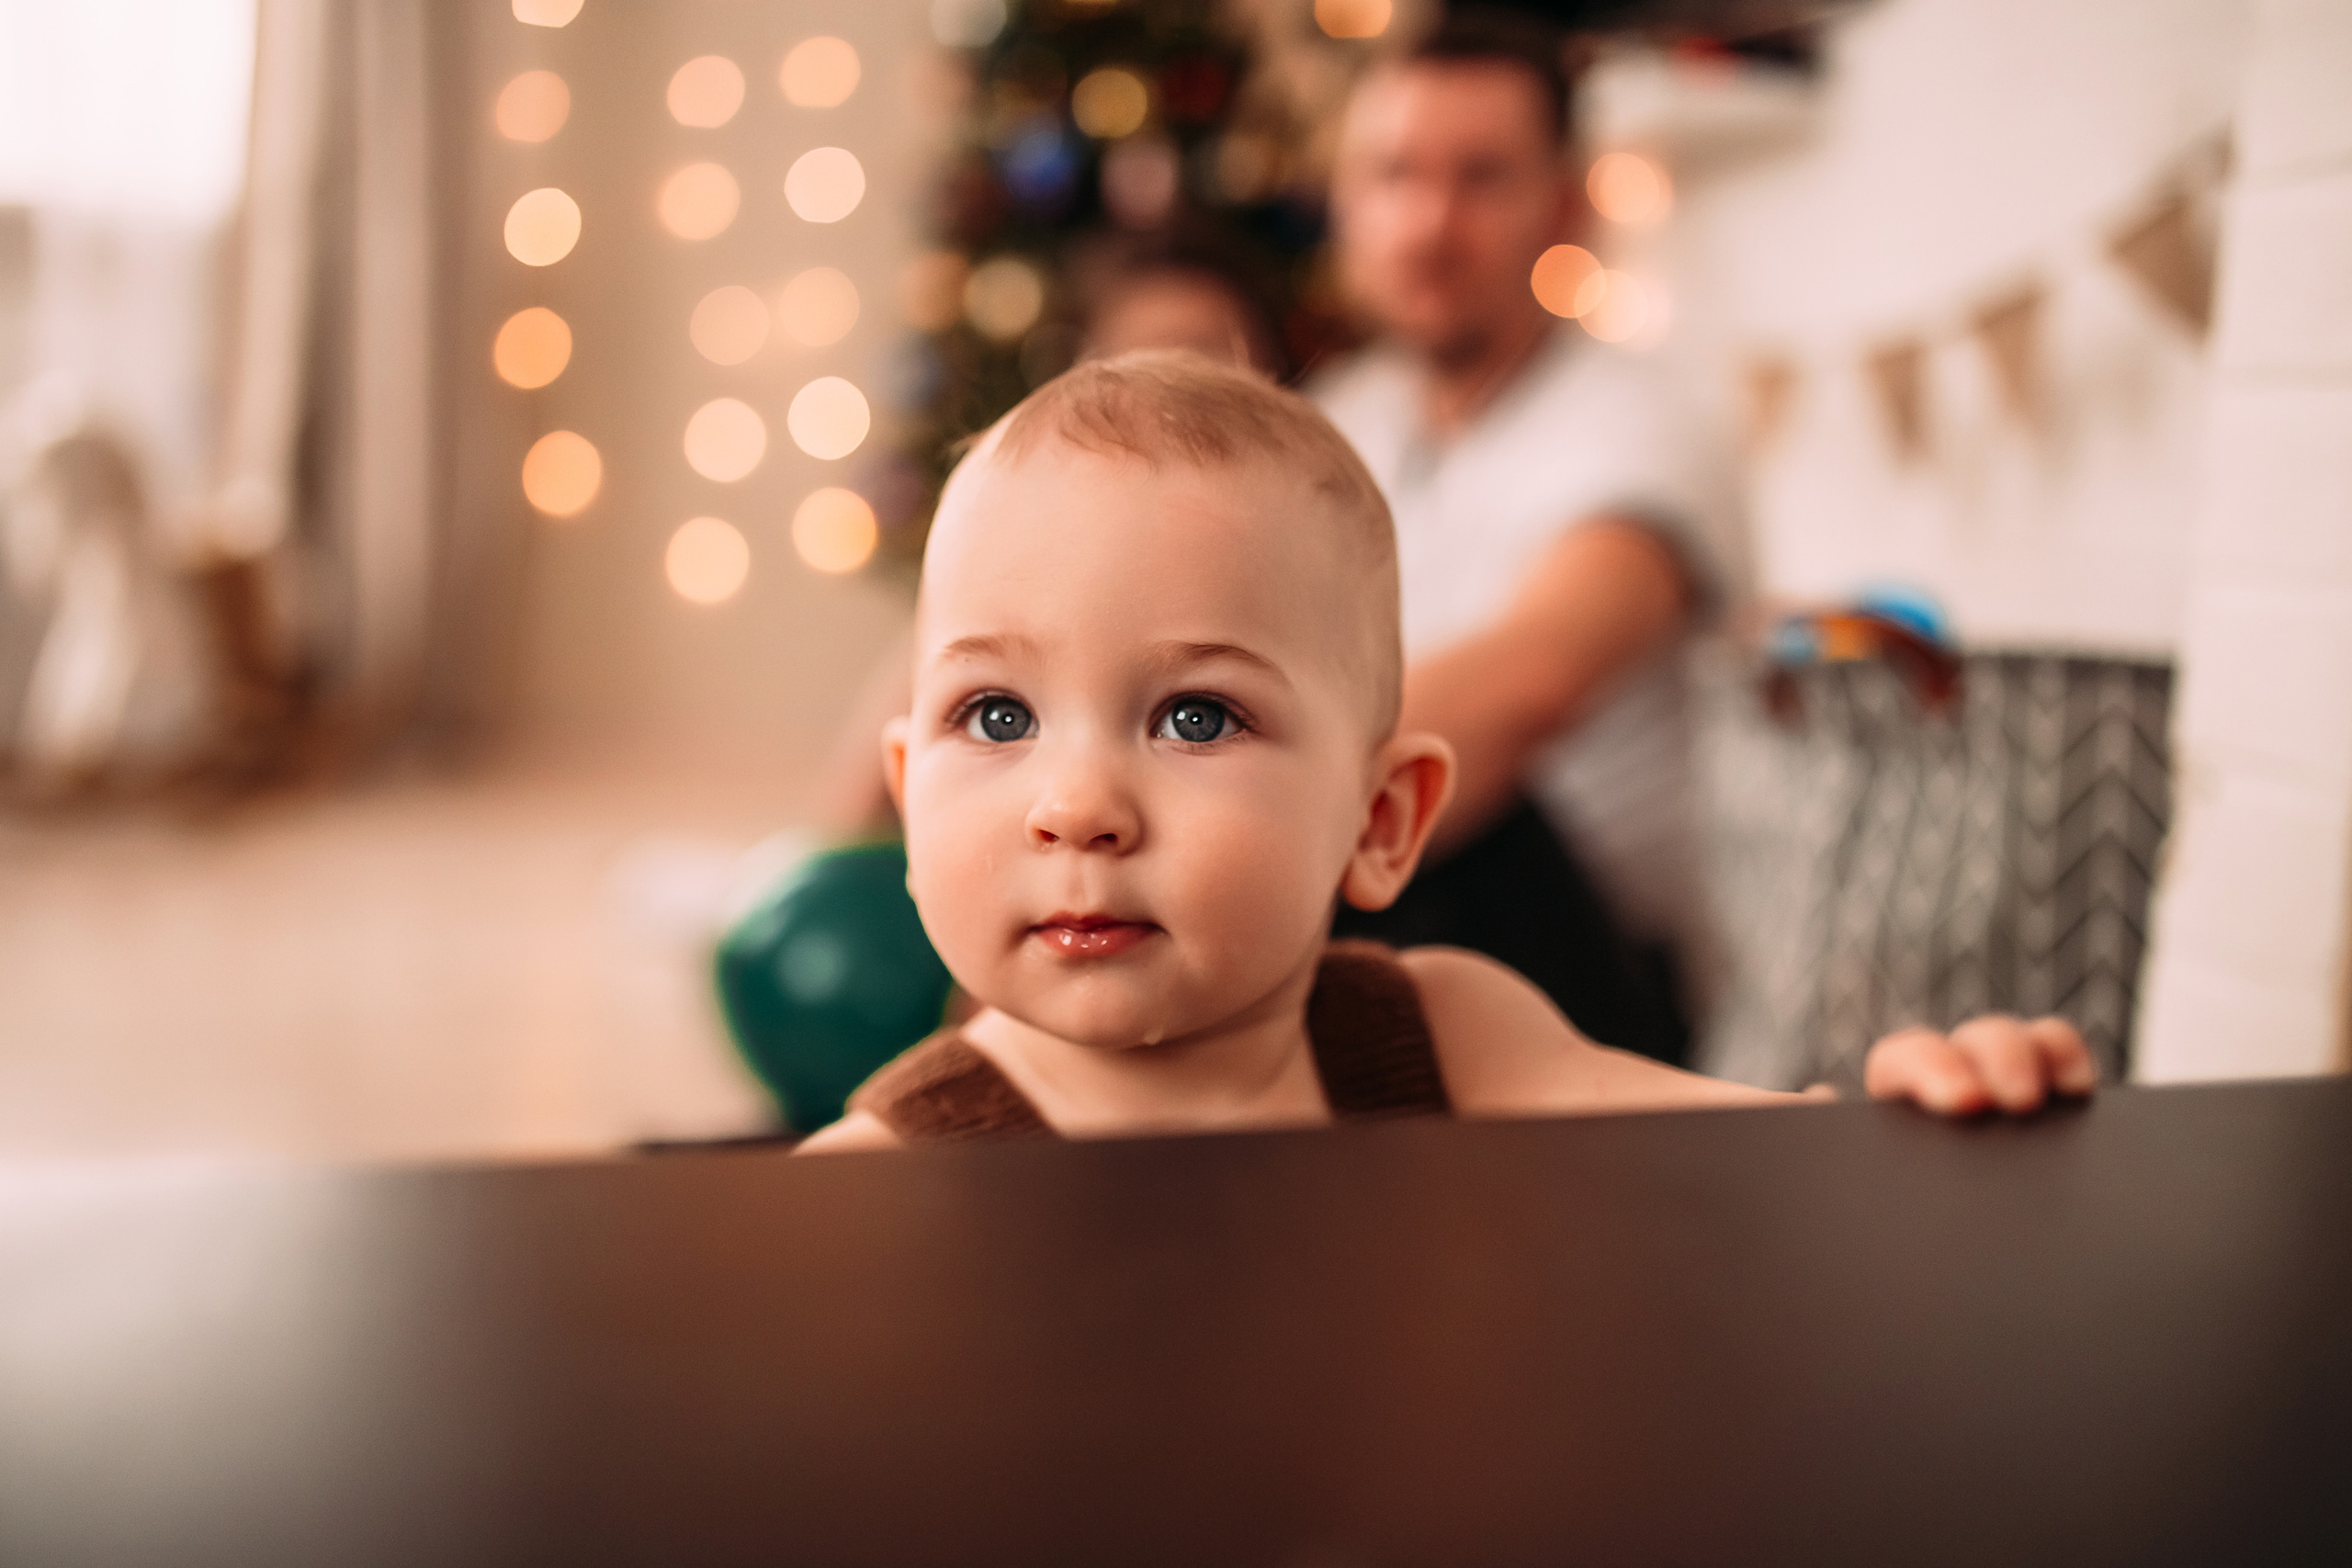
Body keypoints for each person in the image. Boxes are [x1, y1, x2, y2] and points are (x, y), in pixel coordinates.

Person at [797, 354, 2090, 1152]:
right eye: (997, 716)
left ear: (1380, 820)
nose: (1076, 805)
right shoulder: (880, 1185)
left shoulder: (1447, 1039)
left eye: (1196, 716)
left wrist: (1913, 1117)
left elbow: (1754, 1167)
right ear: (909, 800)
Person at [1311, 12, 1735, 1066]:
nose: (1429, 222)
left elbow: (1530, 683)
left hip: (1593, 971)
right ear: (1345, 201)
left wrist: (1235, 815)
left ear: (1561, 206)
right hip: (1385, 914)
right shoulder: (1334, 421)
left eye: (1481, 178)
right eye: (1395, 175)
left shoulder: (1639, 420)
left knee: (1441, 790)